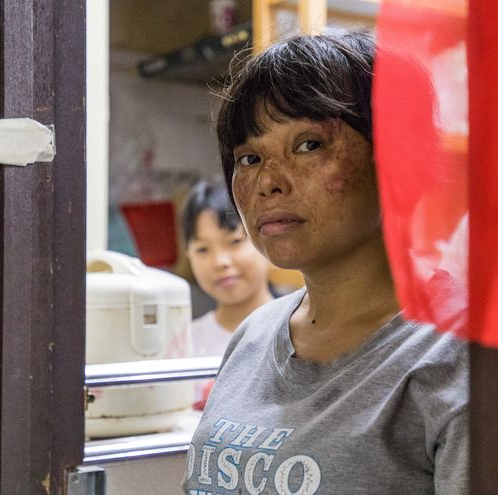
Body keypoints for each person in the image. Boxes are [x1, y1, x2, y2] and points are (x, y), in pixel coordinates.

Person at [184, 32, 468, 494]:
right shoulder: (254, 337)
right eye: (250, 157)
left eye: (309, 145)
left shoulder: (456, 355)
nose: (268, 182)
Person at [182, 180, 273, 358]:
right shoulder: (184, 345)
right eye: (202, 249)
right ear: (188, 255)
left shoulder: (299, 334)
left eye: (235, 242)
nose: (220, 261)